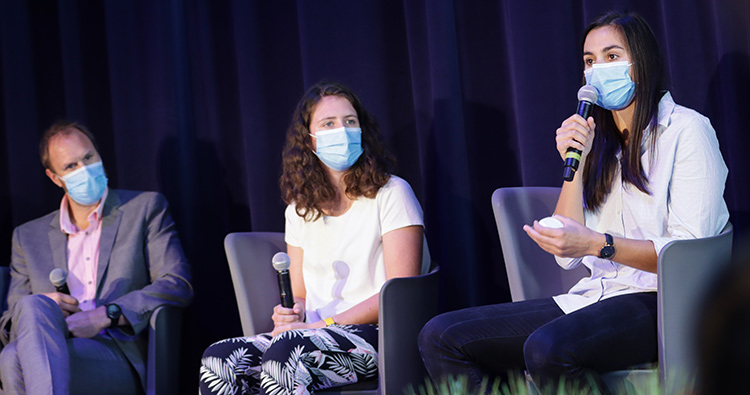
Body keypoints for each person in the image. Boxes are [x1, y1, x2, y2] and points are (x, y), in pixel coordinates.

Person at [418, 11, 729, 393]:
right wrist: (576, 161)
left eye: (612, 56)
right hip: (595, 296)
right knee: (441, 336)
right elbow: (567, 256)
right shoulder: (599, 143)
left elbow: (687, 257)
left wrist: (599, 245)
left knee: (549, 349)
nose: (598, 69)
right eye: (589, 61)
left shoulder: (687, 130)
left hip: (663, 302)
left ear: (642, 62)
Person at [199, 81, 429, 395]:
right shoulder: (299, 209)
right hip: (309, 333)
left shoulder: (392, 193)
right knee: (219, 359)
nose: (343, 131)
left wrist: (320, 326)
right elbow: (300, 295)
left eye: (350, 122)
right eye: (329, 124)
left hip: (377, 338)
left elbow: (399, 292)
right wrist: (291, 313)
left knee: (286, 355)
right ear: (309, 141)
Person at [0, 121, 194, 394]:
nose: (84, 170)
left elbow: (176, 283)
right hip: (50, 345)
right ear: (55, 178)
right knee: (29, 313)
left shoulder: (145, 209)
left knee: (11, 360)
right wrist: (46, 307)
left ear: (99, 155)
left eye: (88, 158)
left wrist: (107, 315)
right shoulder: (27, 237)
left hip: (115, 352)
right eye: (71, 166)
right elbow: (9, 323)